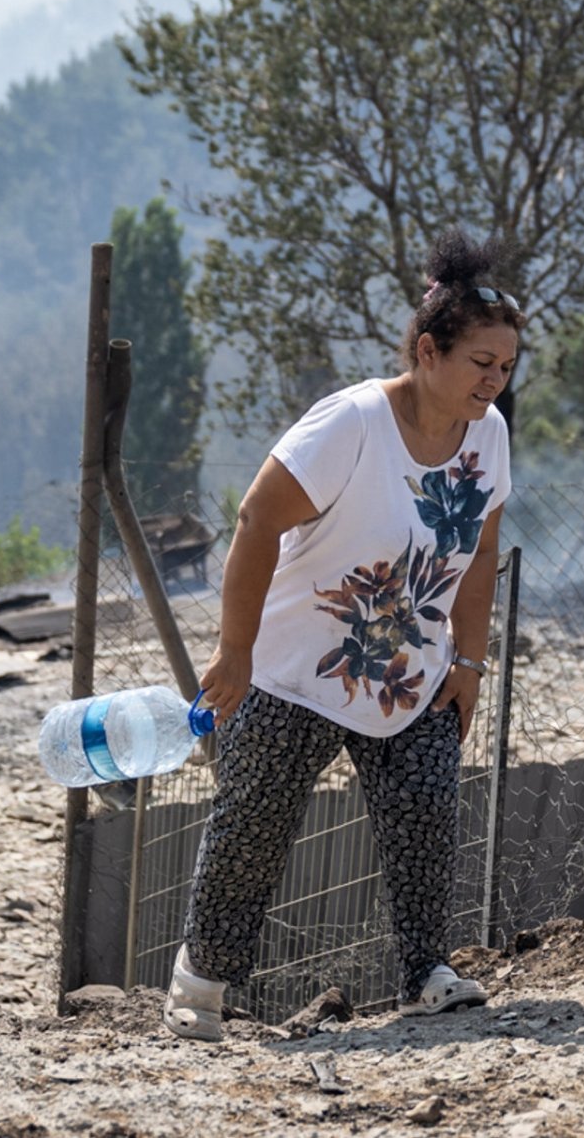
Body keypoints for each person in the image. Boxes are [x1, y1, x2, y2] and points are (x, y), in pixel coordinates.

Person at [163, 229, 518, 1040]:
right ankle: (201, 986)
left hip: (410, 671)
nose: (494, 382)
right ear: (428, 351)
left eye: (505, 366)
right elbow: (255, 520)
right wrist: (236, 650)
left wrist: (468, 659)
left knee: (427, 809)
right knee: (253, 825)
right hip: (293, 670)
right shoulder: (352, 423)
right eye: (480, 363)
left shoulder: (488, 436)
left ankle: (428, 971)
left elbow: (482, 549)